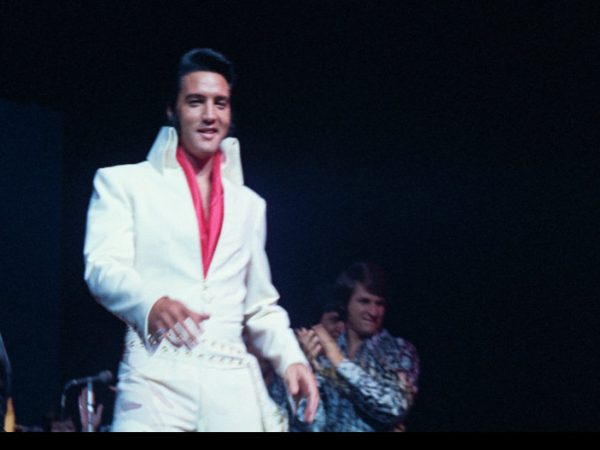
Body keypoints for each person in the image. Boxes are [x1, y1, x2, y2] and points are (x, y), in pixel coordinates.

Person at [83, 48, 318, 431]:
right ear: (172, 109)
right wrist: (151, 302)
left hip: (232, 384)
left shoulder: (249, 205)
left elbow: (260, 305)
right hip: (155, 377)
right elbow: (103, 268)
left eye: (220, 103)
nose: (210, 115)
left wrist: (291, 358)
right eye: (196, 102)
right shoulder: (125, 183)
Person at [297, 262, 420, 432]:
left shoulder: (399, 351)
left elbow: (395, 408)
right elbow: (310, 422)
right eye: (364, 301)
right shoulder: (323, 352)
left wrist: (338, 360)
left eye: (379, 304)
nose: (373, 311)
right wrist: (308, 367)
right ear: (345, 304)